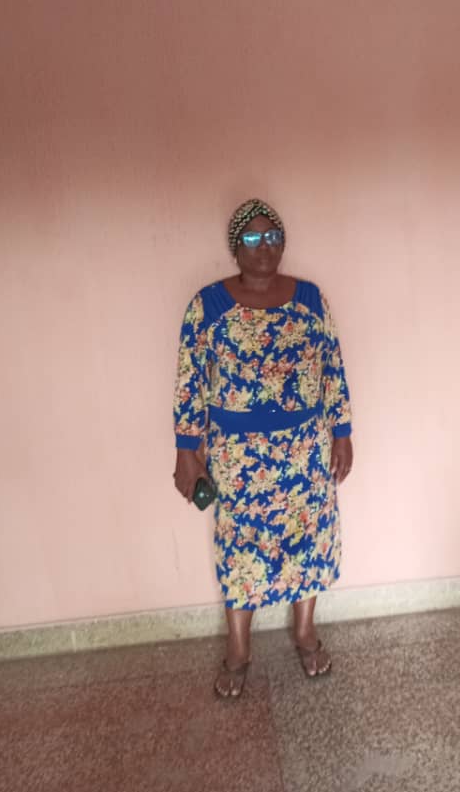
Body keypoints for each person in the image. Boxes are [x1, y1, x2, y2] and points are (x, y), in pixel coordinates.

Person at [172, 198, 354, 697]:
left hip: (304, 450)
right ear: (235, 247)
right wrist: (187, 450)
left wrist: (341, 431)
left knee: (308, 539)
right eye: (251, 238)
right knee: (239, 548)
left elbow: (332, 366)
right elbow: (190, 381)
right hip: (237, 456)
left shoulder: (311, 299)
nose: (264, 247)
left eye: (273, 236)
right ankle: (238, 649)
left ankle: (305, 632)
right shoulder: (208, 305)